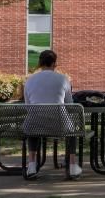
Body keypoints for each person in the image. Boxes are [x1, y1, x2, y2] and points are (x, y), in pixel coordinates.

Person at [23, 49, 81, 179]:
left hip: (35, 125)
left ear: (40, 63)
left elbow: (28, 106)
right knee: (72, 131)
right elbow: (70, 105)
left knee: (33, 127)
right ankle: (72, 165)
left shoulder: (29, 80)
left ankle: (32, 164)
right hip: (60, 125)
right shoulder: (63, 79)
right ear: (54, 63)